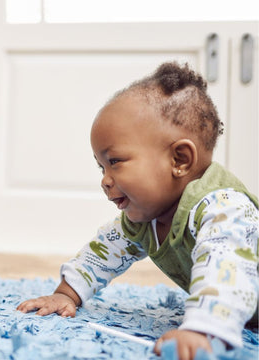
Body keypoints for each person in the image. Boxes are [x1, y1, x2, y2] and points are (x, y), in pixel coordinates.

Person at [17, 62, 258, 360]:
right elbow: (102, 252)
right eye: (100, 166)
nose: (105, 180)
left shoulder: (223, 209)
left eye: (115, 161)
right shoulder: (144, 218)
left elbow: (227, 272)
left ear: (179, 159)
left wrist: (203, 330)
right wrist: (66, 294)